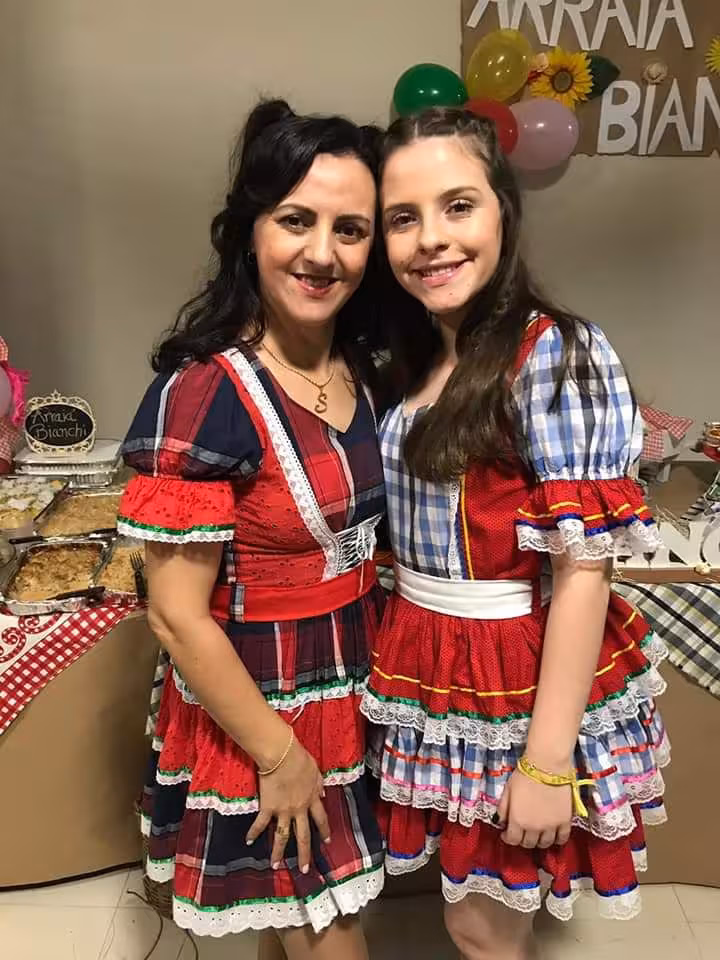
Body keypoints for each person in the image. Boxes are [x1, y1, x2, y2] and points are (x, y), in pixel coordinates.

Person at [361, 107, 668, 959]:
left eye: (458, 206)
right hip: (426, 657)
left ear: (504, 208)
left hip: (513, 674)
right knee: (468, 906)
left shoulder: (558, 352)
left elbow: (584, 571)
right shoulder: (415, 356)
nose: (431, 238)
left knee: (481, 924)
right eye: (403, 218)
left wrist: (545, 763)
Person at [118, 100, 386, 960]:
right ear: (251, 230)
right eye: (296, 221)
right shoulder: (207, 392)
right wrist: (278, 756)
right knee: (329, 935)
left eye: (351, 229)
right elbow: (175, 615)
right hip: (263, 704)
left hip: (348, 678)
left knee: (294, 927)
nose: (323, 253)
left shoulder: (362, 367)